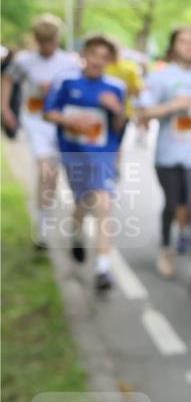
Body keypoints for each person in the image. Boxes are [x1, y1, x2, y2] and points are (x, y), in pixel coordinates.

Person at [41, 34, 126, 293]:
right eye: (94, 55)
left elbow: (119, 128)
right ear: (84, 55)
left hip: (102, 154)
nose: (98, 61)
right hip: (73, 153)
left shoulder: (115, 87)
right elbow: (48, 112)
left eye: (104, 57)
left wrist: (118, 111)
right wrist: (70, 122)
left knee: (103, 203)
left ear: (109, 60)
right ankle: (76, 233)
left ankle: (102, 268)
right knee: (83, 202)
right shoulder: (66, 81)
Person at [137, 27, 191, 286]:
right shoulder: (159, 77)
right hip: (168, 153)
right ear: (173, 47)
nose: (187, 46)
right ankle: (165, 247)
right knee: (172, 205)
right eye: (182, 41)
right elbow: (143, 113)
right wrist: (173, 106)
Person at [2, 14, 80, 248]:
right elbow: (7, 81)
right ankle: (43, 226)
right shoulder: (24, 61)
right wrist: (5, 109)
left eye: (51, 40)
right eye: (42, 40)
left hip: (62, 121)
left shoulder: (69, 63)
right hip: (36, 121)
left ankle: (76, 227)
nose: (47, 45)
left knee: (76, 176)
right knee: (47, 171)